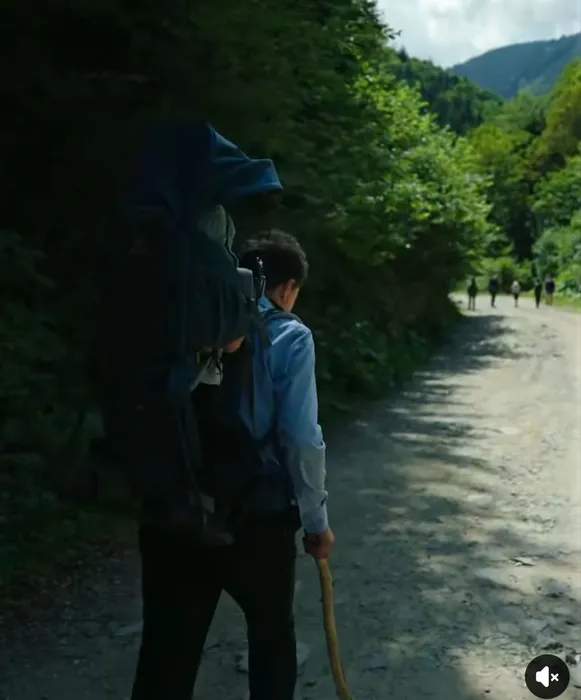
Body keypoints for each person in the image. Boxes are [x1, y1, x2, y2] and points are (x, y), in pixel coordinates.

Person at [131, 229, 332, 700]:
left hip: (173, 506)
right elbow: (301, 438)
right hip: (255, 518)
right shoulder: (290, 335)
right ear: (288, 288)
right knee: (271, 640)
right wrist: (316, 522)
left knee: (166, 653)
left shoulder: (183, 320)